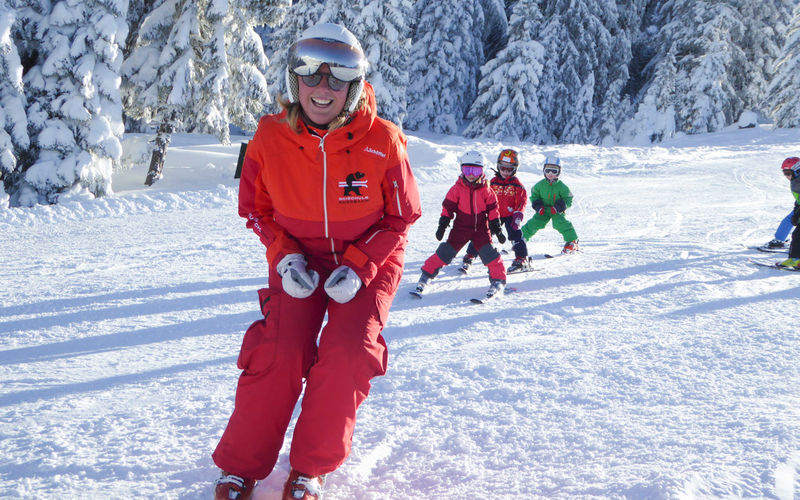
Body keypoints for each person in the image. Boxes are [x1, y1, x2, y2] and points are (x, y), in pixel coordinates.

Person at [211, 23, 421, 500]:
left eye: (337, 76)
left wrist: (362, 264)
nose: (321, 88)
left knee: (348, 354)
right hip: (300, 261)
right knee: (279, 352)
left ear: (354, 85)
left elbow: (401, 217)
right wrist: (285, 258)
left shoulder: (383, 140)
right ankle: (240, 467)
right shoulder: (269, 137)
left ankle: (310, 469)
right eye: (310, 73)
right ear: (294, 79)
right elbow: (257, 211)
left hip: (366, 259)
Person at [413, 150, 507, 295]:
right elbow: (448, 207)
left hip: (481, 229)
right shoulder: (457, 189)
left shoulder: (486, 190)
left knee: (490, 255)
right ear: (461, 169)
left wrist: (497, 227)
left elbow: (493, 210)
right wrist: (443, 224)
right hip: (460, 228)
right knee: (445, 252)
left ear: (482, 171)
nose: (470, 174)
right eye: (467, 169)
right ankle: (426, 275)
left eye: (475, 171)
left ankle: (498, 280)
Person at [460, 148, 530, 273]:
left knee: (515, 233)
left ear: (515, 169)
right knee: (482, 233)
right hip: (494, 214)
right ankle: (470, 255)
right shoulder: (491, 183)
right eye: (502, 168)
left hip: (510, 215)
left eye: (509, 169)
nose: (505, 172)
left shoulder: (517, 184)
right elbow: (483, 197)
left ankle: (521, 258)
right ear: (498, 167)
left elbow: (522, 200)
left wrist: (518, 214)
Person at [520, 155, 579, 254]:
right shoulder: (539, 185)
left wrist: (559, 206)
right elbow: (534, 196)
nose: (550, 173)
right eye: (547, 170)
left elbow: (568, 198)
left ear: (559, 172)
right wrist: (538, 206)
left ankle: (572, 241)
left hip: (556, 210)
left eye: (554, 171)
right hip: (543, 210)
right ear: (544, 171)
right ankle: (521, 239)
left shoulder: (562, 187)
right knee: (535, 222)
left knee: (561, 223)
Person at [777, 157, 800, 268]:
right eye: (784, 173)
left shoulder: (798, 181)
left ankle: (795, 260)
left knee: (797, 235)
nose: (786, 176)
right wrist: (796, 210)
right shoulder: (796, 180)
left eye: (788, 172)